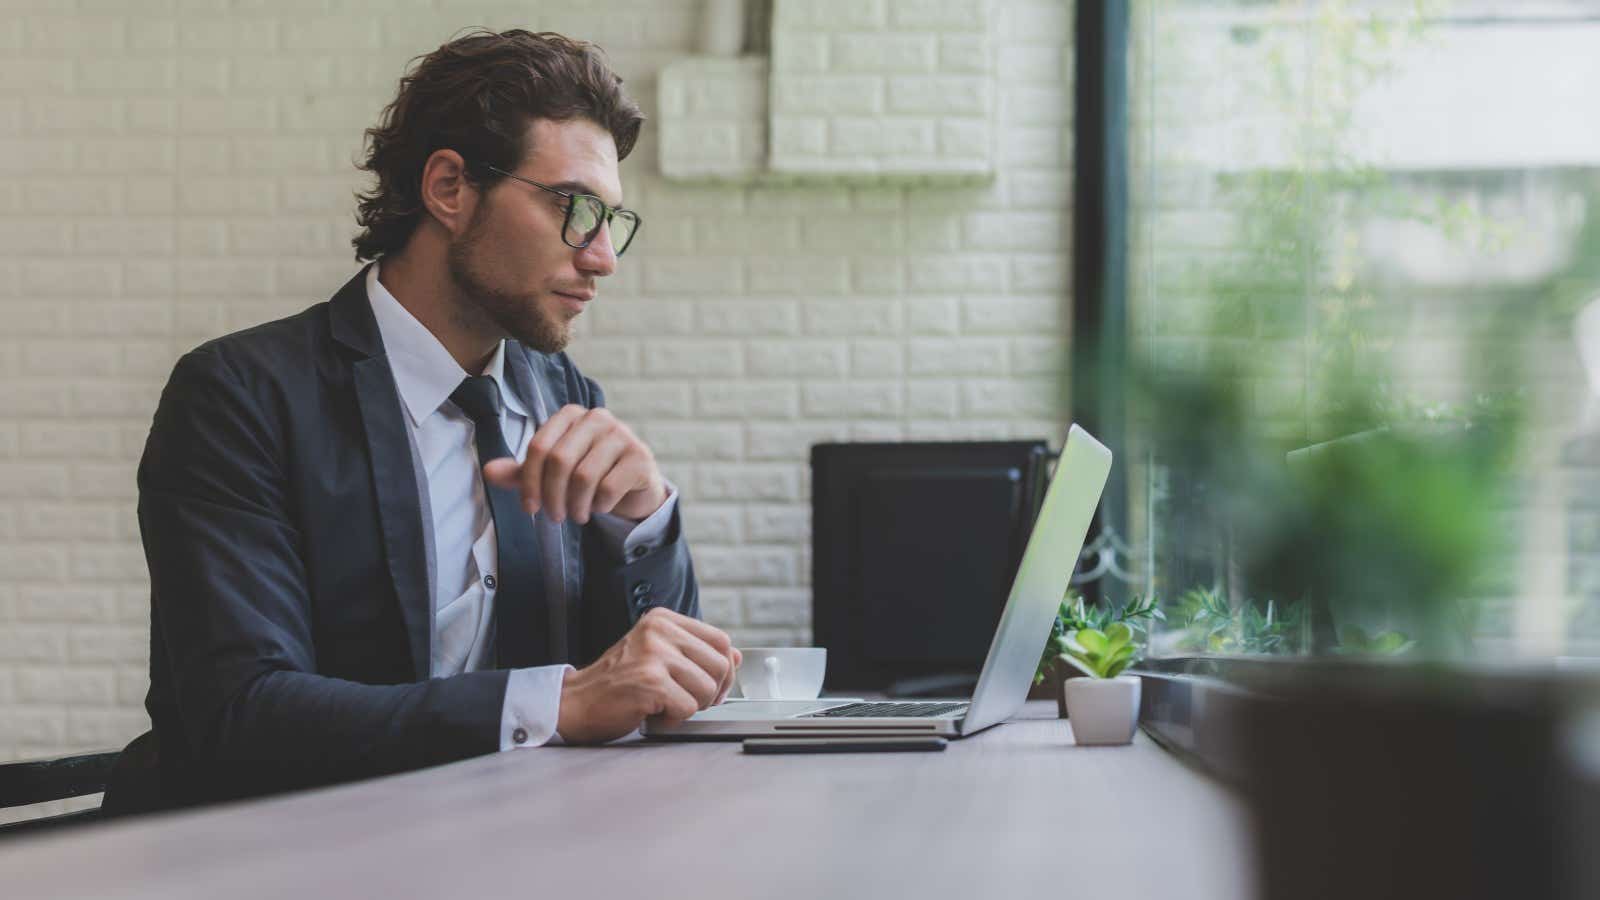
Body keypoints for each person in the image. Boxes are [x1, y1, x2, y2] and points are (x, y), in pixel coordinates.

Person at [105, 29, 739, 812]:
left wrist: (643, 522)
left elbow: (648, 683)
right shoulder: (239, 395)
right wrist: (552, 705)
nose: (603, 255)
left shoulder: (564, 392)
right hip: (275, 857)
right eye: (575, 209)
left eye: (613, 219)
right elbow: (242, 715)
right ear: (449, 188)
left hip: (516, 845)